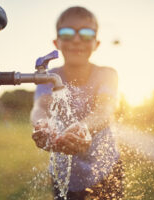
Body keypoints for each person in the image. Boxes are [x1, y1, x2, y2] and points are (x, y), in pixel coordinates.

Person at [31, 6, 123, 200]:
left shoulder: (107, 74)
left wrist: (84, 126)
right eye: (67, 32)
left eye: (86, 33)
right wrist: (43, 125)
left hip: (106, 170)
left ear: (96, 43)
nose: (76, 39)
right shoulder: (49, 78)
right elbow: (40, 108)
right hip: (65, 175)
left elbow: (104, 110)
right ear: (57, 42)